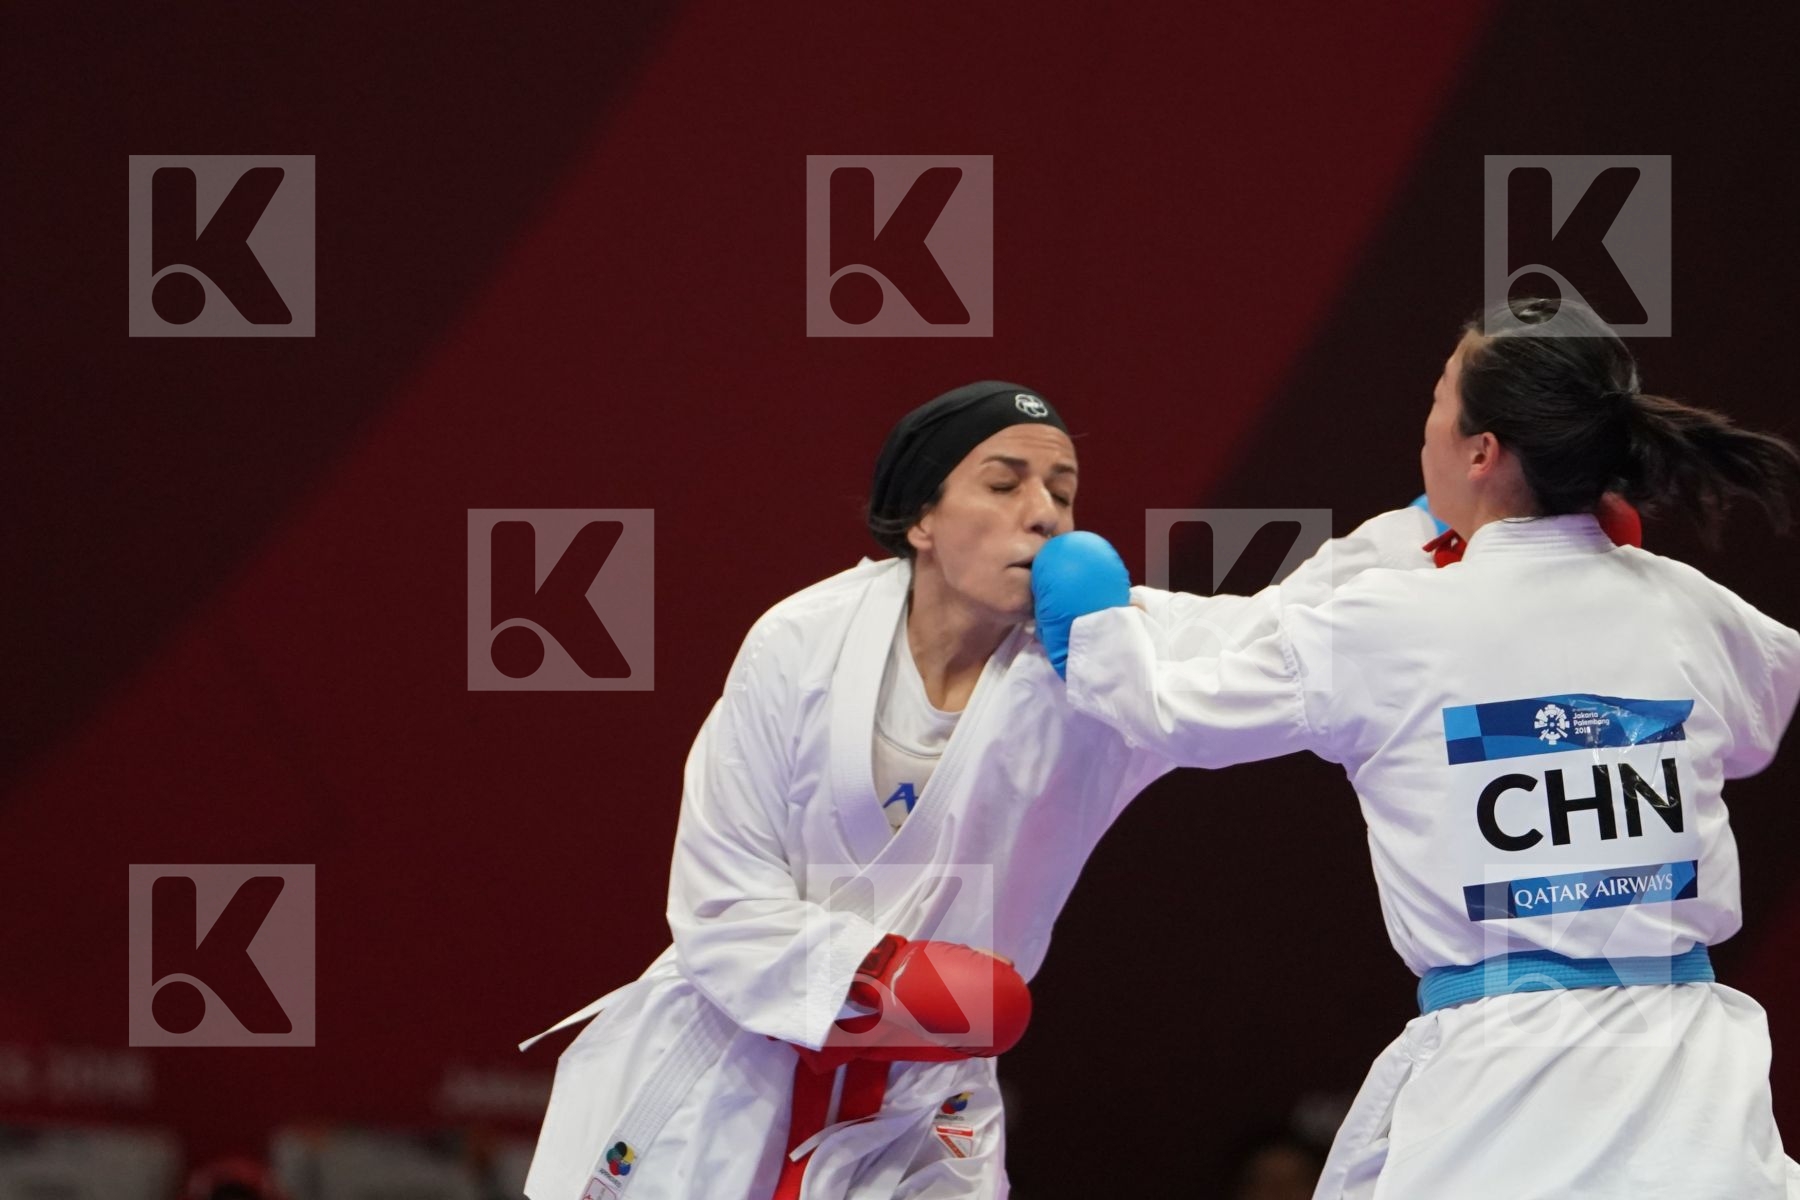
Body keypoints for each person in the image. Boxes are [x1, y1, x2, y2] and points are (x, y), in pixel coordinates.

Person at [521, 381, 1436, 1200]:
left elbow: (1285, 624)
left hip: (921, 1107)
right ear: (921, 518)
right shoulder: (801, 641)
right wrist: (888, 979)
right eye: (1004, 484)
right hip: (723, 1074)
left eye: (1062, 493)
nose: (1043, 515)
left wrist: (1446, 523)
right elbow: (722, 905)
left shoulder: (1102, 661)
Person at [1034, 299, 1800, 1198]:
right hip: (1698, 1093)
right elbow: (1755, 732)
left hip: (1507, 1098)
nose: (1425, 425)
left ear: (1481, 452)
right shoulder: (1694, 607)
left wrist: (1092, 633)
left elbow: (1180, 711)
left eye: (1438, 398)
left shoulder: (1395, 621)